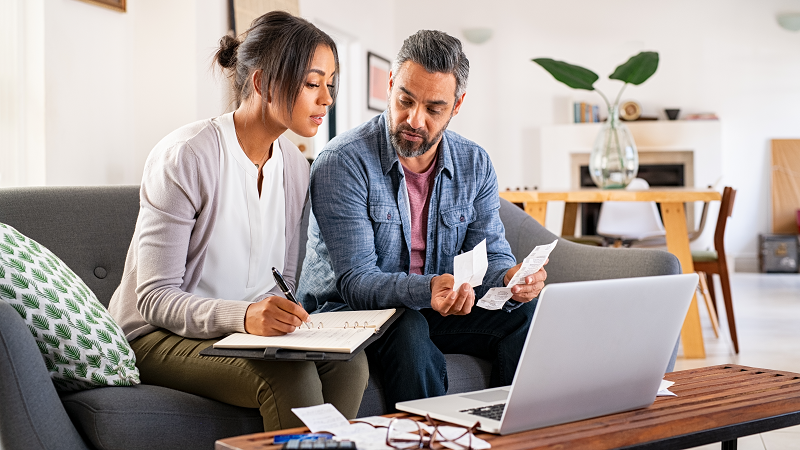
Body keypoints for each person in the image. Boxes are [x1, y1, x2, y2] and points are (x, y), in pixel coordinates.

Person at [108, 11, 368, 431]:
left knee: (350, 364)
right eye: (312, 83)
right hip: (157, 336)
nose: (326, 99)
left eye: (330, 84)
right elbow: (153, 298)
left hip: (241, 335)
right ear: (263, 83)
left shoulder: (297, 168)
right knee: (292, 375)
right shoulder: (187, 156)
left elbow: (280, 279)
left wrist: (287, 319)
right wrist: (245, 316)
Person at [297, 30, 547, 408]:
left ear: (456, 105)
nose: (414, 119)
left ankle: (507, 432)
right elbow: (356, 282)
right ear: (391, 85)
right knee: (409, 326)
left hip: (431, 305)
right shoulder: (343, 161)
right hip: (348, 313)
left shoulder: (474, 163)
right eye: (405, 100)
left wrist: (511, 278)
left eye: (433, 109)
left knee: (525, 314)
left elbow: (492, 255)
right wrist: (430, 289)